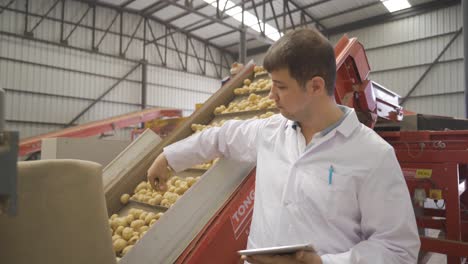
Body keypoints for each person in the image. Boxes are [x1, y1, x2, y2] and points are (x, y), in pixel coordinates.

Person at [147, 28, 420, 264]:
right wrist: (169, 158)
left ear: (315, 86)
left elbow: (397, 250)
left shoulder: (372, 154)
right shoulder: (271, 132)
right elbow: (220, 137)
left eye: (280, 86)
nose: (271, 96)